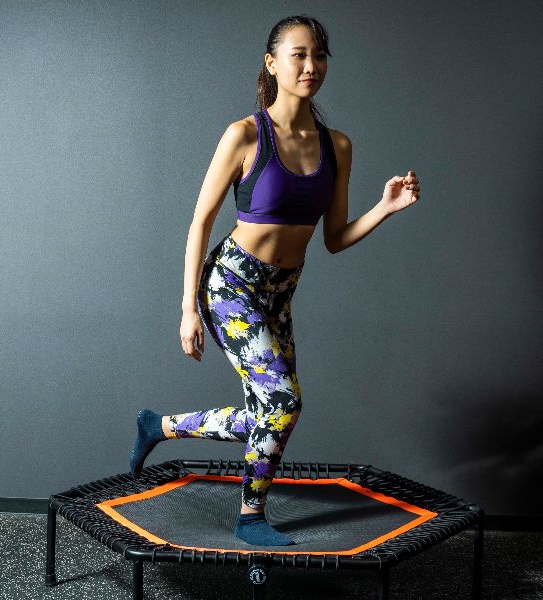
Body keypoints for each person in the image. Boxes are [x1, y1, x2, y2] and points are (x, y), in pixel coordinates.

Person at [129, 14, 420, 546]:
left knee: (271, 411)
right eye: (299, 55)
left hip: (280, 292)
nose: (311, 66)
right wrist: (188, 309)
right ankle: (250, 517)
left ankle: (160, 426)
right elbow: (200, 223)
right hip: (231, 284)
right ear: (272, 63)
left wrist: (385, 207)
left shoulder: (337, 146)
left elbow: (334, 238)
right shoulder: (245, 134)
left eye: (319, 56)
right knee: (283, 404)